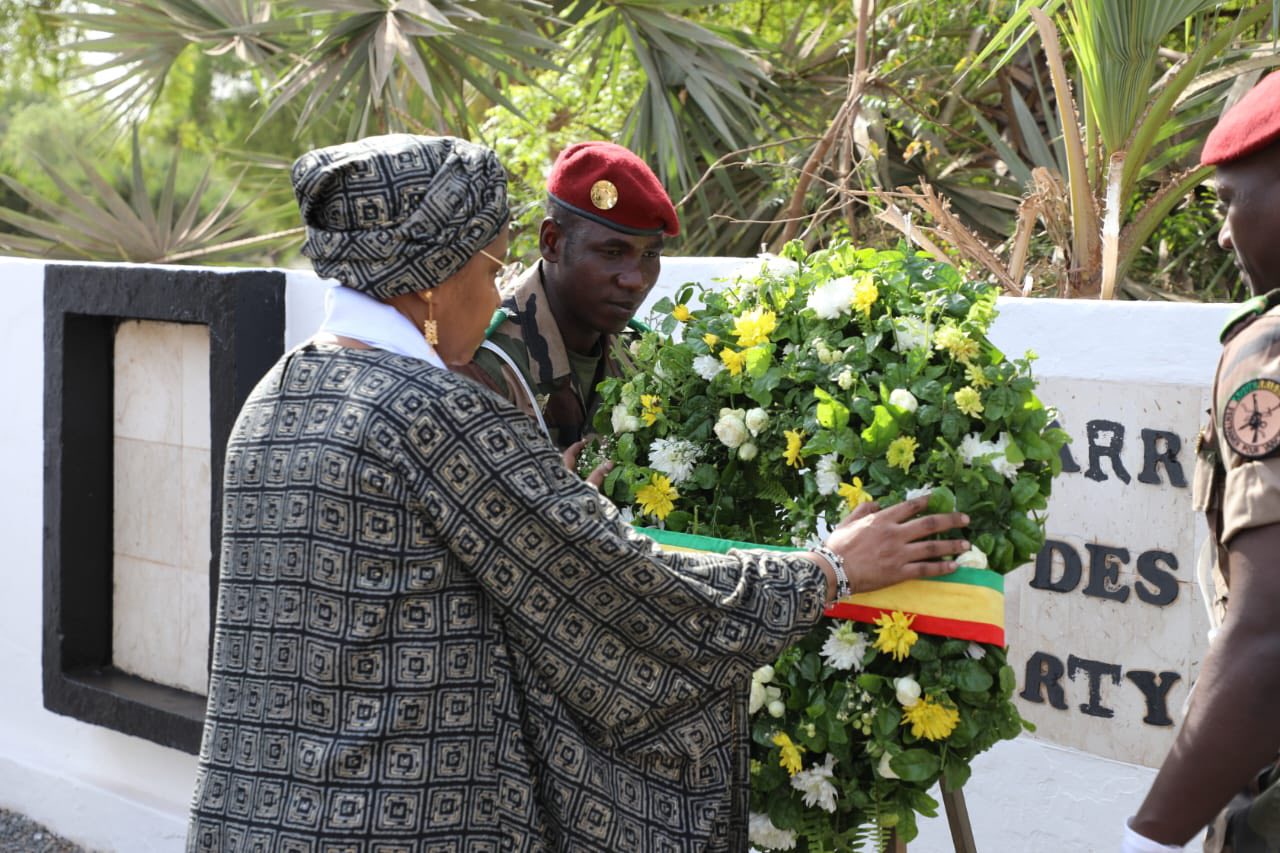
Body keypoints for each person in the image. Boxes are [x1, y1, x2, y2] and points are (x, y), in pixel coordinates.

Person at [185, 133, 972, 853]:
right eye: (492, 268)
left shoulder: (280, 392)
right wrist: (831, 569)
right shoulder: (437, 413)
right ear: (429, 277)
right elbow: (633, 593)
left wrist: (534, 499)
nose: (498, 297)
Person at [1125, 72, 1280, 852]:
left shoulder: (1270, 352)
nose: (1222, 234)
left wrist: (1152, 837)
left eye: (1228, 200)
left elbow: (1270, 633)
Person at [455, 140, 676, 452]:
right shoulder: (484, 360)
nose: (636, 280)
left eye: (650, 255)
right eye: (612, 252)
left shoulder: (642, 355)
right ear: (552, 242)